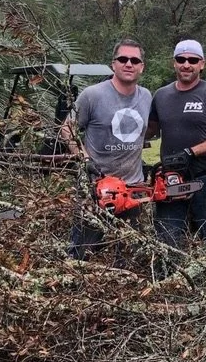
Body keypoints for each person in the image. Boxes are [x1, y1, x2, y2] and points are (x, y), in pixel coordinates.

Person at [63, 38, 152, 259]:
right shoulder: (92, 95)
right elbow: (67, 128)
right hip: (97, 187)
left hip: (133, 188)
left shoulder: (147, 96)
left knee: (128, 254)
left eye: (134, 60)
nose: (128, 64)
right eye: (123, 59)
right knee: (81, 250)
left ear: (142, 66)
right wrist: (84, 160)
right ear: (113, 64)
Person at [147, 39, 206, 247]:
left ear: (202, 64)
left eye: (192, 60)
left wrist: (191, 152)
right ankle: (170, 279)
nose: (186, 64)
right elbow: (149, 131)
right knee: (167, 240)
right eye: (181, 59)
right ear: (174, 63)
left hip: (204, 177)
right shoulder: (161, 95)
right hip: (171, 180)